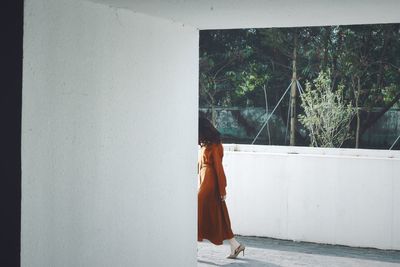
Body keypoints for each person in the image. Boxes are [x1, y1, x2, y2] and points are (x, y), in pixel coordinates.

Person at [197, 117, 245, 259]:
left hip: (210, 184)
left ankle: (192, 247)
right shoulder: (205, 145)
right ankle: (235, 245)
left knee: (197, 211)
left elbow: (218, 168)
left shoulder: (215, 145)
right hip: (205, 181)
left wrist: (222, 189)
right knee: (218, 215)